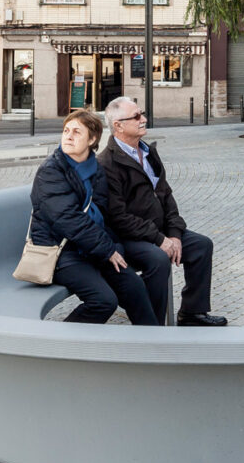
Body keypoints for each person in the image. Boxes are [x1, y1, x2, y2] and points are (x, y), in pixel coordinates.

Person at [100, 97, 227, 327]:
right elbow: (118, 218)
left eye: (142, 114)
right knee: (158, 259)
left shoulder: (148, 152)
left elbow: (166, 196)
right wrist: (160, 240)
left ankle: (191, 313)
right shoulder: (107, 163)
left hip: (159, 231)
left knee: (201, 245)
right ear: (118, 125)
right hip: (128, 238)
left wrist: (175, 234)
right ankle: (152, 326)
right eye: (137, 116)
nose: (144, 119)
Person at [29, 108, 161, 327]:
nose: (68, 136)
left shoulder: (95, 169)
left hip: (90, 247)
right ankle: (58, 343)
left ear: (92, 139)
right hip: (60, 251)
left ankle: (153, 345)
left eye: (76, 132)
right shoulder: (50, 172)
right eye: (66, 131)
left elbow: (102, 214)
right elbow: (68, 220)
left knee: (134, 286)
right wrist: (108, 250)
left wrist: (115, 246)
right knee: (103, 300)